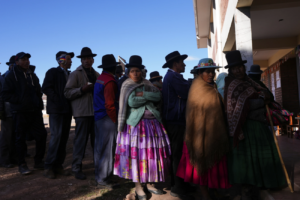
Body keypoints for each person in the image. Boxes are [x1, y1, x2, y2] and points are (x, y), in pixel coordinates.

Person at [224, 51, 287, 200]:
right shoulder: (232, 84)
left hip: (258, 125)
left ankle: (265, 181)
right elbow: (239, 106)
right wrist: (260, 100)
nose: (238, 70)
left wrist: (264, 95)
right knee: (248, 159)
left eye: (240, 67)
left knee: (262, 157)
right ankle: (249, 185)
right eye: (235, 68)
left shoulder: (249, 81)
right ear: (230, 71)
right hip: (244, 128)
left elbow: (267, 94)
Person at [113, 55, 171, 200]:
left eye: (138, 70)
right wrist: (148, 95)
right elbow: (132, 101)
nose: (136, 73)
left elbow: (158, 96)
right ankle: (138, 186)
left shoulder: (147, 83)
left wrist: (142, 93)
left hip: (152, 125)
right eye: (132, 71)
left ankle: (150, 182)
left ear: (142, 71)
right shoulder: (126, 85)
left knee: (151, 155)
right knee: (137, 156)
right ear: (128, 72)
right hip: (135, 127)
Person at [176, 58, 231, 200]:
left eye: (213, 71)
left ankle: (214, 190)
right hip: (198, 136)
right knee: (201, 164)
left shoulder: (212, 88)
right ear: (200, 72)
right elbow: (195, 115)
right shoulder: (197, 89)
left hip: (214, 134)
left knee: (213, 165)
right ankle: (205, 194)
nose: (211, 74)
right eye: (208, 71)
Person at [1, 52, 47, 175]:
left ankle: (38, 161)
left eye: (27, 59)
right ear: (17, 62)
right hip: (20, 112)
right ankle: (22, 164)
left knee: (42, 135)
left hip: (34, 112)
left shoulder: (32, 75)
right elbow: (5, 94)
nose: (27, 61)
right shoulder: (11, 76)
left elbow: (39, 90)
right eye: (23, 59)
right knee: (20, 138)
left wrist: (38, 104)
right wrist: (20, 101)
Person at [161, 51, 193, 200]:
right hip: (175, 120)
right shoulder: (173, 77)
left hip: (175, 120)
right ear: (176, 64)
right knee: (177, 154)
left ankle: (180, 184)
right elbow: (187, 92)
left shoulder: (172, 77)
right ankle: (177, 188)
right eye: (182, 62)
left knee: (178, 153)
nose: (184, 64)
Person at [64, 47, 100, 180]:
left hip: (95, 113)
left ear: (92, 60)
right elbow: (67, 93)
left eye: (89, 58)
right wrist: (81, 89)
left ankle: (99, 167)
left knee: (96, 142)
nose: (86, 60)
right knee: (80, 141)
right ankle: (76, 168)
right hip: (82, 113)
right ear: (81, 60)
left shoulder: (96, 74)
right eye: (84, 58)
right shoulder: (75, 74)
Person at [42, 51, 74, 179]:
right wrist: (58, 100)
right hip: (56, 111)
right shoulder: (52, 72)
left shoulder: (70, 74)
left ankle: (58, 166)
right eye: (68, 59)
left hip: (67, 111)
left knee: (64, 139)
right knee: (56, 138)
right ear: (61, 60)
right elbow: (45, 88)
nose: (71, 61)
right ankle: (49, 167)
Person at [93, 54, 120, 188]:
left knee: (99, 148)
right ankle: (103, 179)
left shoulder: (100, 78)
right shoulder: (109, 81)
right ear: (113, 67)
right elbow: (110, 105)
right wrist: (115, 120)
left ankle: (99, 175)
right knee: (108, 150)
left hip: (98, 117)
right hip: (107, 118)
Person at [0, 57, 16, 168]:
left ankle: (11, 158)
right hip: (6, 111)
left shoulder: (13, 76)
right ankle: (4, 160)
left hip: (14, 110)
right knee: (6, 136)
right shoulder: (4, 77)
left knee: (13, 136)